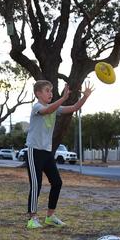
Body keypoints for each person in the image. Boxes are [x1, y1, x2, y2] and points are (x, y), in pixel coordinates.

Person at [25, 80, 93, 229]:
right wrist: (62, 98)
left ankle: (50, 217)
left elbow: (74, 107)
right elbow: (47, 111)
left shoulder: (55, 108)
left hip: (47, 152)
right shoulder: (37, 107)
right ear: (38, 93)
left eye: (51, 91)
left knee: (57, 182)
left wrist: (85, 96)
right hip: (34, 151)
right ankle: (32, 218)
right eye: (47, 91)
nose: (50, 93)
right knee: (36, 184)